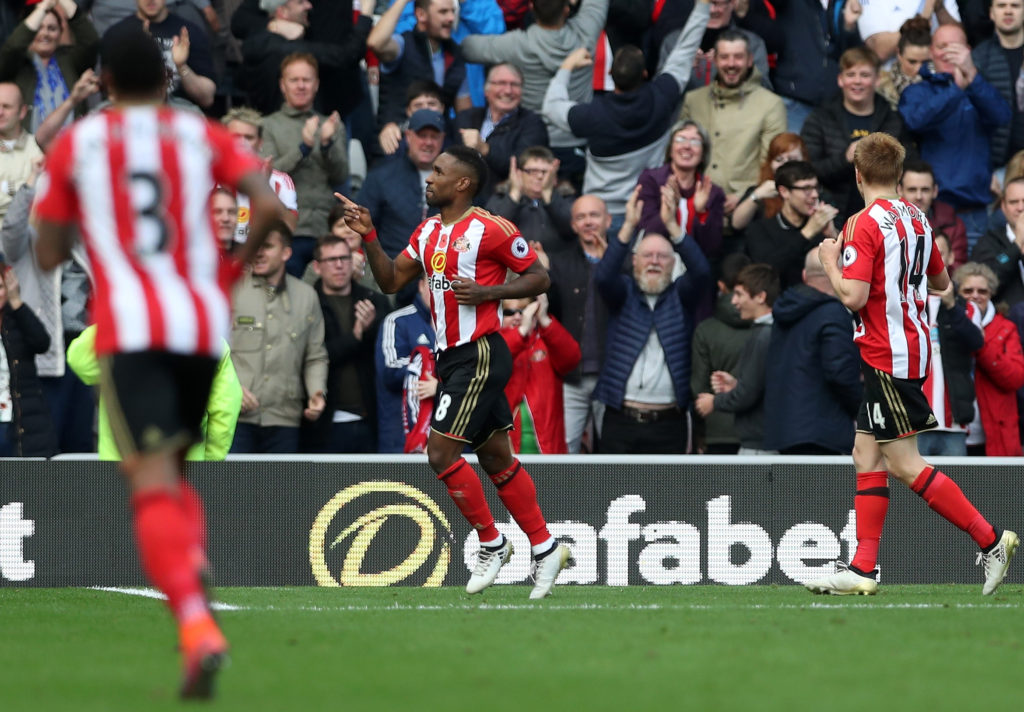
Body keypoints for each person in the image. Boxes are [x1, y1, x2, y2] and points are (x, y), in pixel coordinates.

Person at [32, 25, 292, 697]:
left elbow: (49, 252)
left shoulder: (81, 143)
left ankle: (195, 623)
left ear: (107, 82)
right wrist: (229, 271)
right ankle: (195, 565)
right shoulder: (199, 135)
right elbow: (267, 205)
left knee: (150, 482)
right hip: (201, 327)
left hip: (133, 329)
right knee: (176, 467)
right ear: (165, 77)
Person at [337, 144, 572, 599]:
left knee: (440, 453)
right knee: (496, 459)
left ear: (462, 183)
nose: (430, 176)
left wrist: (488, 292)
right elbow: (389, 281)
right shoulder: (426, 232)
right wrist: (369, 235)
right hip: (452, 360)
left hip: (480, 352)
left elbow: (540, 278)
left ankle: (492, 541)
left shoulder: (490, 228)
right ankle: (546, 549)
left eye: (439, 171)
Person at [806, 131, 1018, 597]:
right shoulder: (919, 219)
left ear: (858, 174)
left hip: (887, 356)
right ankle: (862, 568)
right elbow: (943, 283)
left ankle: (991, 540)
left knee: (904, 464)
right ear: (899, 176)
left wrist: (830, 261)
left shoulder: (864, 224)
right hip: (911, 349)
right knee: (865, 454)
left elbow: (853, 296)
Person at [541, 2, 710, 223]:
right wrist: (703, 6)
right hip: (649, 209)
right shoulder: (661, 97)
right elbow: (685, 50)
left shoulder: (593, 115)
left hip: (600, 215)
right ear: (645, 73)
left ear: (610, 73)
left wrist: (566, 67)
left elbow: (551, 106)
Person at [594, 184, 711, 454]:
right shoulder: (622, 294)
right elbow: (603, 276)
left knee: (668, 496)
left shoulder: (682, 296)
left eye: (662, 256)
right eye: (647, 255)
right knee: (612, 494)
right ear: (634, 261)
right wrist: (629, 226)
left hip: (670, 421)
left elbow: (702, 272)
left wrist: (673, 226)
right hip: (620, 417)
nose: (655, 261)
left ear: (674, 263)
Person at [461, 0, 611, 186]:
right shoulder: (586, 31)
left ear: (531, 7)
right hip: (574, 143)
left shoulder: (516, 44)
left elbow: (467, 47)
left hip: (528, 147)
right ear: (567, 9)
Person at [899, 22, 1011, 251]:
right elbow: (915, 120)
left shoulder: (980, 87)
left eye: (956, 47)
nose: (949, 53)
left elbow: (1002, 116)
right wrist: (955, 90)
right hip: (932, 211)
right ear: (931, 51)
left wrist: (972, 78)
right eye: (942, 46)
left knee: (976, 284)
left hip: (975, 212)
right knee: (930, 284)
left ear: (968, 51)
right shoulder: (918, 91)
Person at [67, 324, 243, 460]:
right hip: (184, 466)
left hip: (123, 467)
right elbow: (224, 410)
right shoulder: (208, 339)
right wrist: (210, 460)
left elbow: (79, 361)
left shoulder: (119, 335)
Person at [229, 228, 329, 453]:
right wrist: (230, 388)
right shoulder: (232, 289)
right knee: (232, 488)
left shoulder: (306, 296)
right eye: (256, 246)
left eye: (268, 247)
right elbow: (214, 349)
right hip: (235, 417)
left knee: (280, 489)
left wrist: (317, 392)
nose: (259, 253)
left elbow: (315, 355)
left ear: (286, 253)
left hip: (285, 420)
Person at [763, 247, 861, 455]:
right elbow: (840, 372)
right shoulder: (833, 312)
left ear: (805, 276)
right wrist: (860, 408)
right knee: (822, 490)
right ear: (841, 274)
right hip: (824, 432)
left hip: (784, 429)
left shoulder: (782, 312)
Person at [680, 29, 787, 215]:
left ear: (750, 60)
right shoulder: (693, 100)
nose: (731, 64)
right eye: (724, 57)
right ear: (714, 61)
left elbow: (771, 165)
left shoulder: (770, 104)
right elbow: (679, 155)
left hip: (746, 209)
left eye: (738, 57)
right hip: (694, 208)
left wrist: (744, 197)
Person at [801, 46, 910, 224]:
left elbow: (907, 166)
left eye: (865, 75)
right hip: (832, 216)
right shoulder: (819, 118)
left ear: (877, 80)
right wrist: (845, 159)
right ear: (840, 80)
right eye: (851, 75)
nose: (857, 81)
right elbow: (807, 171)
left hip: (884, 219)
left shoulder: (893, 120)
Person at [262, 52, 347, 276]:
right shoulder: (268, 125)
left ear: (316, 84)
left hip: (325, 229)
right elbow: (268, 174)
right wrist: (304, 148)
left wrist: (327, 144)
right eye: (294, 80)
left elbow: (341, 175)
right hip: (287, 230)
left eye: (306, 80)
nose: (301, 86)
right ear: (282, 85)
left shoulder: (330, 124)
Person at [306, 233, 390, 452]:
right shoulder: (307, 304)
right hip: (324, 420)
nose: (340, 265)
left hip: (368, 417)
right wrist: (355, 337)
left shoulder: (373, 300)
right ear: (317, 267)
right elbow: (315, 356)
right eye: (332, 260)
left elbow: (386, 353)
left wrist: (369, 329)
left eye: (344, 258)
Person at [546, 193, 611, 453]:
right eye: (581, 217)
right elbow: (548, 309)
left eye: (594, 215)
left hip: (612, 376)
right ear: (572, 225)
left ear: (608, 220)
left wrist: (613, 265)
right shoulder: (559, 262)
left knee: (610, 454)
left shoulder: (625, 260)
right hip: (571, 377)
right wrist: (541, 275)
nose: (588, 222)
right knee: (565, 451)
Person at [694, 262, 778, 455]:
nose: (733, 301)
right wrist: (736, 384)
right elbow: (761, 386)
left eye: (739, 294)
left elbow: (749, 394)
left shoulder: (765, 335)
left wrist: (714, 402)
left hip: (759, 443)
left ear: (760, 297)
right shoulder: (765, 331)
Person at [239, 0, 373, 116]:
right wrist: (365, 15)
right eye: (300, 2)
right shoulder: (293, 50)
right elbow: (346, 55)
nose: (309, 6)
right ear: (283, 12)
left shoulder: (258, 43)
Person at [917, 234, 984, 457]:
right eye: (927, 254)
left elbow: (976, 342)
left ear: (951, 257)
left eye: (939, 253)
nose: (932, 260)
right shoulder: (904, 304)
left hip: (954, 424)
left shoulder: (967, 308)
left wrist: (952, 306)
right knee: (907, 492)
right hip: (913, 424)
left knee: (955, 490)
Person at [955, 261, 1024, 456]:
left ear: (991, 294)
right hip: (953, 431)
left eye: (982, 291)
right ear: (957, 294)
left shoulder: (1005, 328)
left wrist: (980, 344)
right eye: (967, 290)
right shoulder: (945, 326)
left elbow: (1016, 377)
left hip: (994, 434)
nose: (975, 296)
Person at [368, 0, 470, 130]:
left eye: (453, 11)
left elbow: (465, 116)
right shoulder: (403, 45)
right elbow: (375, 42)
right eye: (443, 12)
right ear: (421, 14)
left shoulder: (455, 54)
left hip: (437, 142)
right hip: (396, 142)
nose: (451, 18)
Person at [0, 0, 99, 133]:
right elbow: (13, 47)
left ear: (60, 33)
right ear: (29, 31)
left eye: (52, 28)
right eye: (39, 28)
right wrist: (42, 8)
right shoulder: (17, 63)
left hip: (69, 145)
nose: (45, 34)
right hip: (29, 150)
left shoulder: (70, 59)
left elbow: (91, 41)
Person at [356, 108, 444, 258]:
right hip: (392, 269)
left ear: (443, 139)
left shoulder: (455, 180)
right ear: (408, 136)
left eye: (434, 136)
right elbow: (360, 227)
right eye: (422, 136)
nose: (428, 142)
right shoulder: (381, 177)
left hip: (442, 271)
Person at [455, 63, 549, 202]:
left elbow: (522, 167)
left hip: (506, 206)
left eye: (515, 85)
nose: (508, 90)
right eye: (501, 83)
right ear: (486, 90)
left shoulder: (533, 124)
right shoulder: (466, 118)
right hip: (462, 204)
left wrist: (485, 149)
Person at [499, 292, 580, 453]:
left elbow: (571, 359)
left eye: (523, 311)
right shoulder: (494, 343)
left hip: (548, 450)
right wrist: (521, 331)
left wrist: (544, 319)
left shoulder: (547, 341)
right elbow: (494, 360)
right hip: (506, 453)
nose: (517, 317)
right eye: (509, 312)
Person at [636, 119, 724, 264]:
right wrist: (669, 210)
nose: (687, 146)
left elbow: (712, 249)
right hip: (656, 261)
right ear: (670, 149)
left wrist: (701, 212)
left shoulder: (713, 192)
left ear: (703, 154)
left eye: (695, 141)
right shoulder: (651, 180)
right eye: (680, 139)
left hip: (695, 269)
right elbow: (647, 233)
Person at [690, 252, 753, 455]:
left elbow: (698, 387)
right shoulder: (770, 327)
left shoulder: (705, 330)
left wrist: (700, 432)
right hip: (759, 432)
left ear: (720, 286)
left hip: (716, 430)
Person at [743, 161, 839, 290]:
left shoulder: (822, 226)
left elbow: (848, 268)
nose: (815, 195)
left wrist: (833, 235)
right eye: (806, 189)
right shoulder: (760, 229)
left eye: (816, 187)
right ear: (784, 192)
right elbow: (767, 273)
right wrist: (807, 232)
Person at [106, 0, 218, 109]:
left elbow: (206, 98)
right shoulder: (117, 34)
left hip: (179, 113)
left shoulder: (189, 33)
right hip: (130, 111)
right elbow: (111, 94)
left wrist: (181, 66)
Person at [0, 265, 57, 457]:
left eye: (1, 287)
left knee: (23, 482)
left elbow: (42, 342)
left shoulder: (16, 318)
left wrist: (16, 301)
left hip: (20, 420)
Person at [374, 274, 435, 453]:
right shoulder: (398, 321)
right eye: (433, 284)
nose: (439, 291)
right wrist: (431, 367)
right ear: (421, 285)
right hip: (400, 439)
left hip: (448, 441)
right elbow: (390, 371)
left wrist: (439, 385)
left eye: (444, 285)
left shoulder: (459, 325)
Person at [485, 146, 574, 254]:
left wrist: (548, 195)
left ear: (554, 176)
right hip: (510, 266)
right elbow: (492, 233)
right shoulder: (500, 197)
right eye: (532, 171)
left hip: (557, 266)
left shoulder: (566, 198)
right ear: (519, 173)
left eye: (545, 172)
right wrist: (515, 193)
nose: (540, 176)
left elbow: (571, 230)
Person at [972, 0, 1024, 176]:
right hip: (994, 168)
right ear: (991, 13)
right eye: (1002, 6)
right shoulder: (979, 57)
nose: (1008, 11)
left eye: (1015, 6)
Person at [729, 131, 807, 233]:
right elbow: (736, 224)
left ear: (804, 160)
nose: (785, 165)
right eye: (779, 160)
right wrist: (756, 196)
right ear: (770, 163)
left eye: (792, 159)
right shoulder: (760, 191)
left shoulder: (816, 193)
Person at [898, 159, 968, 269]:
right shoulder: (888, 223)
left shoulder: (954, 225)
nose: (919, 196)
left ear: (935, 191)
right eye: (912, 190)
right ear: (899, 190)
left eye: (925, 190)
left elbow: (957, 269)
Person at [971, 176, 1024, 307]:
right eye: (1013, 202)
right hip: (1007, 322)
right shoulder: (988, 242)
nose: (1020, 207)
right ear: (1003, 207)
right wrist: (1017, 245)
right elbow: (986, 282)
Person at [0, 83, 43, 227]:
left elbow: (40, 196)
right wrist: (24, 187)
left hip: (25, 241)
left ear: (22, 111)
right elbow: (30, 194)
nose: (0, 112)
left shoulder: (36, 147)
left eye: (6, 107)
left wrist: (6, 188)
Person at [877, 16, 930, 111]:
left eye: (925, 62)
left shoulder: (944, 86)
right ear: (898, 54)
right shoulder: (879, 87)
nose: (919, 68)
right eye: (912, 62)